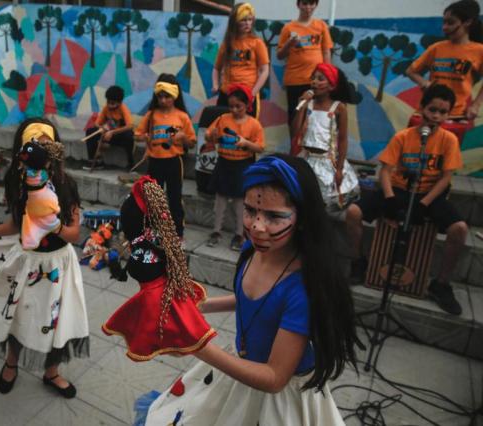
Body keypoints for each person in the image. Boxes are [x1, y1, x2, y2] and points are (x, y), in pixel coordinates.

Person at [136, 155, 359, 425]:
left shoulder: (302, 290)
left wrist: (197, 344)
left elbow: (275, 378)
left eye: (274, 216)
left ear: (302, 218)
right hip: (238, 368)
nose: (256, 226)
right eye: (251, 210)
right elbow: (253, 301)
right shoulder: (252, 249)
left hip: (276, 403)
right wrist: (201, 305)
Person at [0, 118, 89, 397]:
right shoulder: (19, 182)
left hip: (59, 265)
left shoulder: (66, 184)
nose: (41, 152)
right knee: (19, 314)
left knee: (59, 320)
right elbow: (15, 225)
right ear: (23, 151)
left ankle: (52, 372)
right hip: (28, 262)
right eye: (34, 146)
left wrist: (53, 225)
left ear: (55, 149)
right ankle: (11, 364)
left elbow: (74, 235)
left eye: (46, 145)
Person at [346, 84, 468, 315]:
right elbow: (384, 171)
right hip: (399, 190)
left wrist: (424, 203)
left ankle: (441, 284)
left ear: (448, 114)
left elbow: (445, 178)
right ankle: (358, 262)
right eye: (432, 110)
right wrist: (390, 199)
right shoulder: (403, 137)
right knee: (353, 213)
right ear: (421, 108)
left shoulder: (449, 140)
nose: (436, 116)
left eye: (443, 112)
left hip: (429, 194)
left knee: (460, 229)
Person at [102, 176, 216, 361]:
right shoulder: (159, 236)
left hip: (153, 291)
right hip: (158, 282)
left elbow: (134, 260)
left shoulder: (147, 245)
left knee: (165, 326)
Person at [406, 0, 483, 140]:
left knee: (446, 157)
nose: (444, 27)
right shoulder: (437, 48)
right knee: (414, 152)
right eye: (444, 22)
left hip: (456, 115)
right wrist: (424, 83)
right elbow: (411, 71)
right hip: (427, 112)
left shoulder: (478, 50)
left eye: (451, 22)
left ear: (467, 22)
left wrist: (476, 105)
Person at [134, 74, 196, 239]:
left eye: (167, 96)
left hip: (175, 161)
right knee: (155, 198)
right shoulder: (152, 115)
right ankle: (154, 229)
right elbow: (137, 134)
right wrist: (145, 137)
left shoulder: (182, 116)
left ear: (174, 96)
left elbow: (192, 142)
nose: (163, 100)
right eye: (160, 96)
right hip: (155, 160)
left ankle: (178, 232)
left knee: (175, 197)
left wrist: (182, 137)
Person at [205, 83, 265, 251]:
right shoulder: (223, 119)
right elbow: (209, 135)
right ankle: (216, 231)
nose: (234, 109)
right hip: (224, 163)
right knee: (220, 201)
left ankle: (239, 234)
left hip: (242, 165)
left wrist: (246, 143)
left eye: (238, 106)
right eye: (231, 106)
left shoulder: (254, 124)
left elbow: (260, 147)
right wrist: (212, 136)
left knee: (240, 202)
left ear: (247, 105)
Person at [291, 63, 359, 211]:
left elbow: (342, 139)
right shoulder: (307, 105)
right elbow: (295, 131)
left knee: (322, 205)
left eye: (320, 79)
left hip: (327, 161)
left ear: (332, 86)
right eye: (313, 78)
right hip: (307, 160)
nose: (314, 82)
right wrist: (301, 107)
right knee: (302, 202)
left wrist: (339, 169)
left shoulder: (338, 107)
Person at [277, 0, 333, 150]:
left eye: (311, 4)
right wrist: (290, 43)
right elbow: (280, 55)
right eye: (305, 4)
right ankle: (295, 150)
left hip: (317, 82)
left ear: (315, 5)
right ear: (298, 5)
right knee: (295, 118)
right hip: (295, 80)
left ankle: (313, 150)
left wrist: (328, 77)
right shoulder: (288, 28)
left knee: (315, 117)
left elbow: (326, 51)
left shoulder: (321, 26)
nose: (308, 7)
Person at [212, 2, 270, 118]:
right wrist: (215, 84)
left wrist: (253, 93)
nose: (247, 23)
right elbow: (216, 68)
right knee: (223, 128)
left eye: (250, 19)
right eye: (243, 20)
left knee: (247, 129)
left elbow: (265, 70)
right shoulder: (227, 44)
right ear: (235, 21)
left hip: (247, 93)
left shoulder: (257, 43)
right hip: (227, 94)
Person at [83, 85, 135, 171]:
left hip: (119, 136)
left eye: (113, 103)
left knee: (129, 136)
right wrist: (102, 129)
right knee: (90, 131)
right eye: (108, 102)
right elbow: (97, 123)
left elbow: (130, 126)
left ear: (119, 102)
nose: (110, 105)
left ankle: (131, 163)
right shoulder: (106, 108)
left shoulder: (123, 109)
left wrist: (112, 132)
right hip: (107, 135)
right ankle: (95, 161)